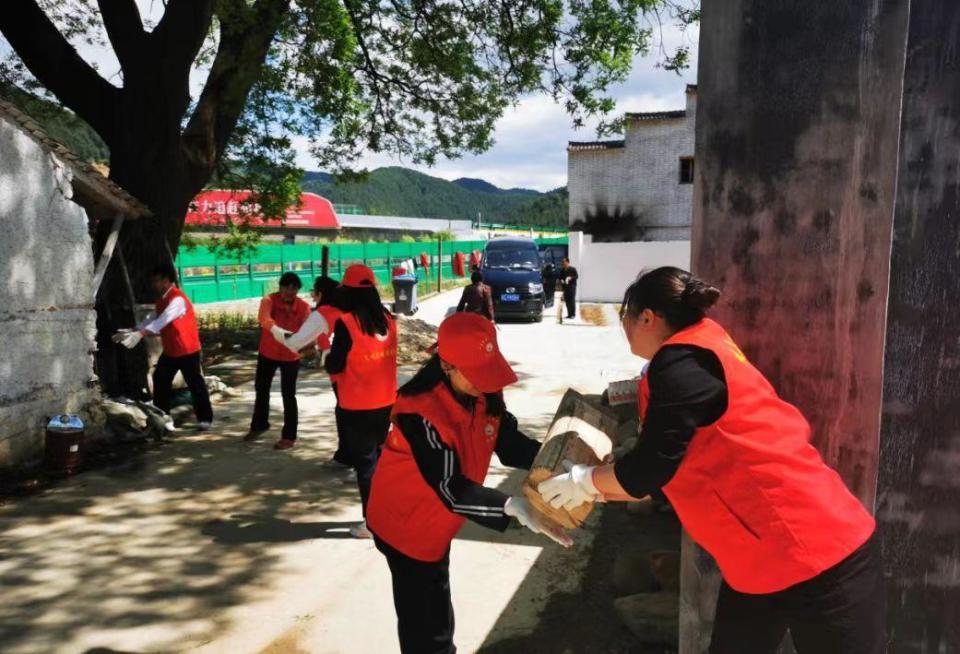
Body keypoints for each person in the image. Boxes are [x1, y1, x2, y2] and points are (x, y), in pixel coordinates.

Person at [538, 267, 883, 654]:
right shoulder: (699, 345)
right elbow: (675, 458)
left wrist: (584, 480)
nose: (624, 327)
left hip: (818, 554)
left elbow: (649, 470)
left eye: (625, 317)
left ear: (648, 318)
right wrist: (597, 489)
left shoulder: (681, 363)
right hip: (758, 558)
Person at [367, 312, 571, 654]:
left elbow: (507, 443)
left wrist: (557, 463)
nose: (485, 382)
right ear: (445, 365)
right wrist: (512, 506)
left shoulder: (484, 393)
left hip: (437, 521)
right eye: (475, 374)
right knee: (425, 625)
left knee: (436, 601)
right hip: (406, 525)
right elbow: (449, 486)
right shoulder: (420, 411)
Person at [322, 264, 397, 538]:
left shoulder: (347, 323)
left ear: (349, 292)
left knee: (366, 465)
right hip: (386, 401)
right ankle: (386, 513)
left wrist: (326, 359)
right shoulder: (388, 319)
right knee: (379, 459)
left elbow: (336, 364)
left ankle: (373, 523)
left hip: (358, 405)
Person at [113, 265, 213, 430]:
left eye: (156, 281)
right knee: (160, 381)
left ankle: (205, 419)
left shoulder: (177, 299)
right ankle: (163, 419)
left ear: (166, 281)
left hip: (187, 350)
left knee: (196, 385)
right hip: (171, 350)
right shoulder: (161, 300)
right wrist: (132, 331)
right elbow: (150, 319)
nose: (153, 284)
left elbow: (163, 320)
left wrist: (141, 334)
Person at [283, 274, 350, 468]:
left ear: (322, 293)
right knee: (354, 415)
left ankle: (346, 458)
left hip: (341, 373)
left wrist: (278, 333)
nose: (312, 296)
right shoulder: (347, 310)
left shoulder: (322, 314)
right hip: (361, 369)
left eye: (315, 292)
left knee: (345, 414)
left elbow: (295, 342)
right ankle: (350, 456)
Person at [245, 272, 311, 450]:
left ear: (297, 290)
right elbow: (264, 319)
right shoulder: (269, 300)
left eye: (294, 288)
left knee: (288, 395)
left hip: (290, 356)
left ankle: (289, 435)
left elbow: (309, 329)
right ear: (280, 287)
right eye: (286, 287)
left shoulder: (304, 307)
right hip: (268, 352)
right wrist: (277, 330)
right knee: (261, 389)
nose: (290, 291)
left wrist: (309, 346)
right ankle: (259, 425)